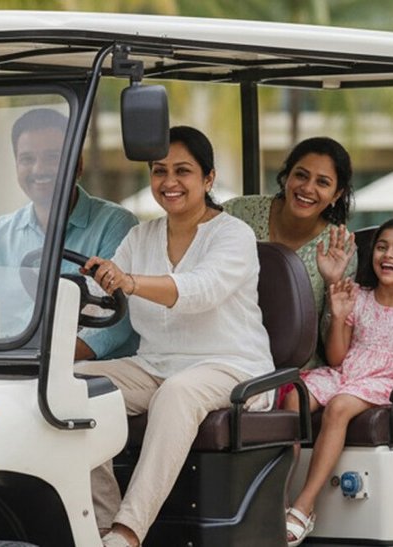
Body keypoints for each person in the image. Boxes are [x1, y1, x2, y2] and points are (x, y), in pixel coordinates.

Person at [78, 126, 274, 547]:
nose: (169, 181)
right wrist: (84, 287)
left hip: (230, 365)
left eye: (182, 171)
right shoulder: (140, 236)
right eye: (159, 170)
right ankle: (100, 529)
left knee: (178, 393)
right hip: (155, 365)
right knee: (72, 386)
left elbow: (200, 291)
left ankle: (128, 532)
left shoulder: (233, 235)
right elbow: (100, 298)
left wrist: (129, 282)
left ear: (208, 178)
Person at [0, 108, 139, 360]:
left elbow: (114, 325)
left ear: (78, 165)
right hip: (16, 365)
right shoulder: (1, 235)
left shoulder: (116, 225)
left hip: (84, 370)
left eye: (53, 157)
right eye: (27, 159)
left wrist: (35, 359)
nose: (38, 169)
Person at [284, 217, 393, 546]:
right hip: (351, 371)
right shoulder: (358, 296)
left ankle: (305, 505)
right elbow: (337, 358)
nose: (388, 255)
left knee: (339, 407)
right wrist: (337, 315)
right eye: (381, 247)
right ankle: (279, 498)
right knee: (294, 397)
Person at [223, 136, 358, 369]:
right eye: (301, 175)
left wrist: (332, 283)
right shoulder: (238, 212)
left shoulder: (341, 249)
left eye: (322, 182)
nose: (307, 188)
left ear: (336, 194)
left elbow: (332, 349)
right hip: (224, 353)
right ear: (286, 176)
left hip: (293, 371)